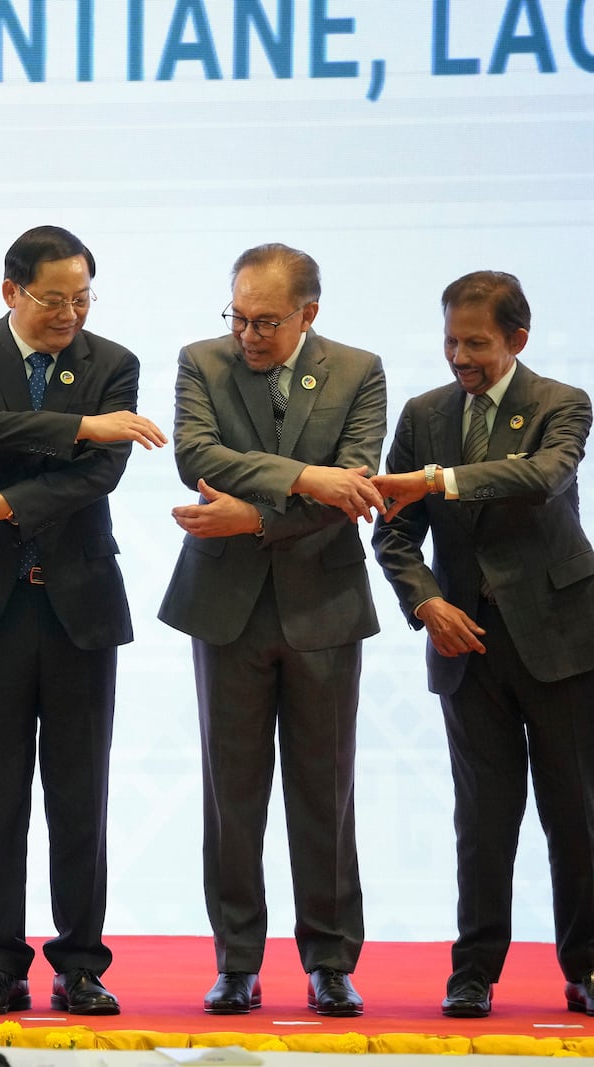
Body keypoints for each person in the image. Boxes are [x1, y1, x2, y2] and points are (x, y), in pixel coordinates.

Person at [0, 226, 166, 1018]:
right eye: (54, 298)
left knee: (79, 789)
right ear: (10, 291)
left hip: (78, 601)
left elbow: (99, 478)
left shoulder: (112, 362)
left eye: (82, 297)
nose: (70, 313)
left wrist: (11, 502)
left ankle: (81, 964)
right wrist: (81, 426)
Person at [157, 243, 386, 1017]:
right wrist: (298, 475)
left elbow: (351, 486)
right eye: (239, 316)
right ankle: (236, 961)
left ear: (308, 315)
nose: (247, 334)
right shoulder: (202, 361)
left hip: (323, 607)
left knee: (325, 791)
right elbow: (196, 450)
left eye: (265, 321)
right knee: (234, 794)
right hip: (226, 608)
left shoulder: (360, 370)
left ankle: (330, 960)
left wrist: (254, 511)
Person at [370, 272, 594, 1019]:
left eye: (477, 343)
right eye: (450, 341)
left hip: (563, 643)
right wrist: (427, 600)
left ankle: (587, 965)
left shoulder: (562, 404)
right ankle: (474, 973)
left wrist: (437, 478)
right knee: (483, 819)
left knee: (577, 813)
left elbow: (540, 475)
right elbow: (394, 531)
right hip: (466, 646)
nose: (459, 357)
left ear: (517, 341)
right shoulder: (424, 412)